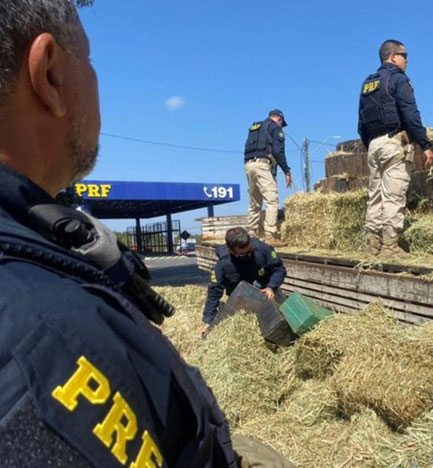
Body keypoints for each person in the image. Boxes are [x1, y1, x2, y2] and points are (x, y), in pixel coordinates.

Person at [0, 1, 292, 466]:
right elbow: (215, 293)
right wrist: (206, 323)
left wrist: (272, 290)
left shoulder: (49, 247)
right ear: (50, 75)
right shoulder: (45, 335)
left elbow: (276, 270)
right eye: (91, 60)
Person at [358, 39, 433, 258]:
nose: (407, 60)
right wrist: (425, 145)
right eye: (404, 55)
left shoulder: (367, 83)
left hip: (373, 145)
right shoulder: (399, 79)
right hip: (394, 143)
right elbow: (411, 114)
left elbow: (361, 122)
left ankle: (371, 246)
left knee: (374, 196)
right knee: (393, 196)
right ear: (393, 56)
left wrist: (372, 144)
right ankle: (390, 247)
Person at [199, 227, 287, 339]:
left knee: (283, 322)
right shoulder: (223, 264)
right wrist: (208, 321)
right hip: (241, 302)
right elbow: (214, 292)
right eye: (243, 254)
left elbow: (279, 269)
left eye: (250, 250)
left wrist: (271, 287)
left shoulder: (262, 249)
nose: (249, 254)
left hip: (267, 293)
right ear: (231, 251)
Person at [244, 109, 292, 248]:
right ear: (279, 119)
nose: (281, 126)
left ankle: (251, 234)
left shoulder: (255, 127)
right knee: (272, 199)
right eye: (282, 123)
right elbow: (278, 151)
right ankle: (270, 235)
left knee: (254, 202)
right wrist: (286, 171)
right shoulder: (275, 127)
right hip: (263, 166)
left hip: (249, 165)